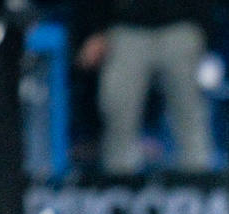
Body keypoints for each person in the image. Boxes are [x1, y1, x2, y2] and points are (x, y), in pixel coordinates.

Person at [74, 0, 214, 175]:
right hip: (126, 28)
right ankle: (119, 189)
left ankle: (199, 185)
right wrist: (95, 30)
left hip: (181, 25)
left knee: (190, 115)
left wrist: (206, 30)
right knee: (118, 114)